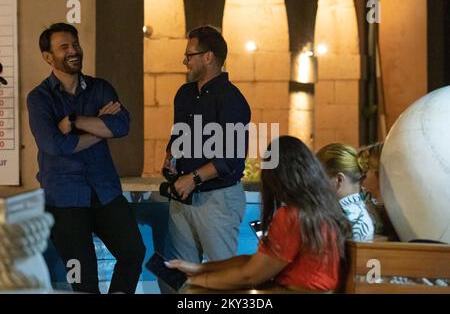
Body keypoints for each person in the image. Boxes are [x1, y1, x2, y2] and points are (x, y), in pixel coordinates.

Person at [27, 23, 145, 294]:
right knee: (83, 282)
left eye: (75, 44)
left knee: (133, 252)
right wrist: (100, 128)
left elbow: (121, 126)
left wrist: (74, 121)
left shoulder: (99, 88)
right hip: (64, 200)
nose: (73, 51)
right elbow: (54, 145)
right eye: (64, 47)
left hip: (105, 192)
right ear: (48, 56)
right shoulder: (39, 98)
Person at [166, 136, 351, 292]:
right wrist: (199, 268)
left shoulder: (293, 217)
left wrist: (195, 282)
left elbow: (250, 275)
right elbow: (256, 263)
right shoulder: (323, 211)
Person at [161, 25, 251, 275]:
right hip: (182, 198)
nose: (184, 61)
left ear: (208, 56)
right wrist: (171, 157)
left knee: (221, 277)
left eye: (189, 55)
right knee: (185, 277)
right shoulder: (185, 94)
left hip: (217, 200)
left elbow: (231, 157)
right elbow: (178, 136)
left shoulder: (232, 99)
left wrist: (193, 178)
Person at [316, 143, 375, 242]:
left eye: (320, 179)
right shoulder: (360, 211)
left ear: (339, 180)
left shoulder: (348, 219)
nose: (317, 186)